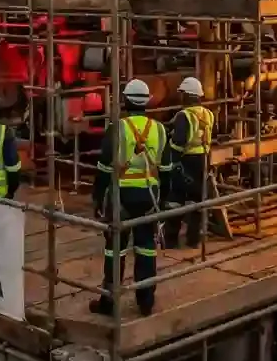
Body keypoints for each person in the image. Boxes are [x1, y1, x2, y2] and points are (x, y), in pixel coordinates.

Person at [89, 78, 172, 318]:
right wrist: (163, 200)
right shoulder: (159, 129)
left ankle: (109, 303)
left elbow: (104, 168)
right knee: (146, 248)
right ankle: (145, 301)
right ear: (147, 102)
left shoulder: (118, 128)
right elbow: (166, 170)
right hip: (149, 196)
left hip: (121, 196)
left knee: (115, 250)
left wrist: (97, 198)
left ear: (125, 101)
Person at [165, 77, 216, 248]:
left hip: (184, 161)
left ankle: (171, 240)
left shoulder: (184, 116)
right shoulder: (208, 114)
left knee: (175, 201)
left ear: (187, 95)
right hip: (203, 160)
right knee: (197, 201)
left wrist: (172, 160)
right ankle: (193, 240)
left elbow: (178, 142)